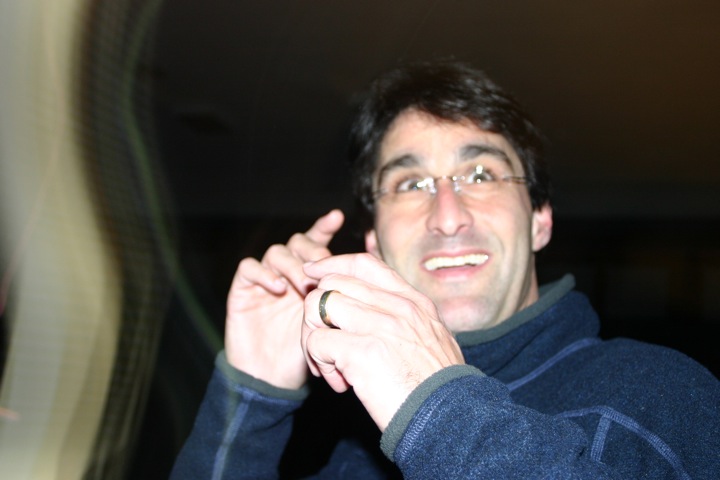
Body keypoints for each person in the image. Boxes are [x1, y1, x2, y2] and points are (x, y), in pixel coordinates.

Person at [170, 60, 720, 479]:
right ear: (373, 241)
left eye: (480, 175)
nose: (448, 216)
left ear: (540, 220)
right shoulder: (352, 456)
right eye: (410, 183)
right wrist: (252, 397)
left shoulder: (665, 396)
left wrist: (434, 410)